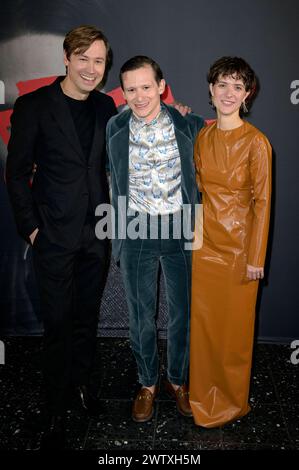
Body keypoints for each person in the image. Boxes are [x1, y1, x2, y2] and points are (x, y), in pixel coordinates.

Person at [5, 25, 117, 448]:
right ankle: (53, 408)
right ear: (67, 58)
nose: (91, 68)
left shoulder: (108, 108)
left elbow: (137, 143)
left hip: (96, 235)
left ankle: (85, 387)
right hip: (52, 235)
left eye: (99, 61)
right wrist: (32, 229)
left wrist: (175, 113)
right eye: (84, 58)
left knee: (87, 319)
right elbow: (16, 173)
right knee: (57, 325)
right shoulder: (34, 106)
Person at [106, 55, 204, 423]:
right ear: (124, 92)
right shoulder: (114, 127)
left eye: (147, 87)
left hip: (179, 230)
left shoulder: (190, 124)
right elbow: (113, 177)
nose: (140, 96)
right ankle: (147, 383)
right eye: (131, 89)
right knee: (140, 317)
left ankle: (178, 381)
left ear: (161, 86)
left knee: (182, 315)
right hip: (136, 232)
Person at [189, 56, 272, 427]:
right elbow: (198, 192)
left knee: (234, 332)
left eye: (237, 86)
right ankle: (200, 397)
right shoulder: (203, 136)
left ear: (247, 94)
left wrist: (257, 256)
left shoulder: (257, 143)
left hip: (240, 250)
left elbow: (263, 201)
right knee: (204, 328)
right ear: (211, 89)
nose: (228, 92)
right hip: (205, 247)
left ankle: (230, 402)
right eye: (222, 84)